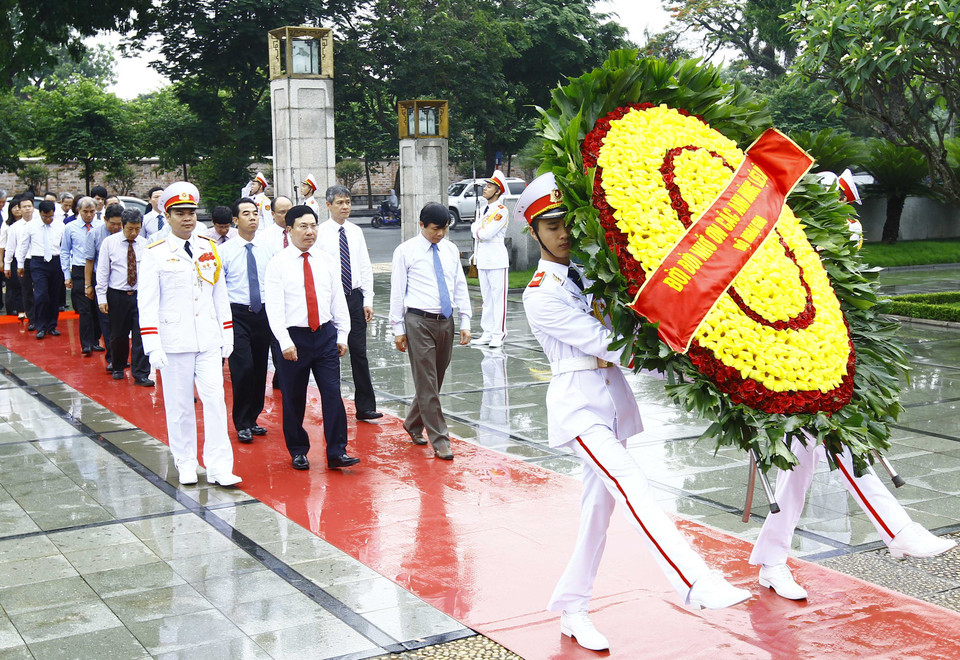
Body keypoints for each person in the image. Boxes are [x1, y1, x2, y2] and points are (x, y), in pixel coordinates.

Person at [517, 173, 750, 652]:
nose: (563, 233)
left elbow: (629, 327)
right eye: (551, 225)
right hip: (578, 406)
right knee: (631, 483)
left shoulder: (591, 273)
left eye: (568, 223)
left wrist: (700, 372)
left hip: (611, 402)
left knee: (597, 512)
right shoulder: (541, 291)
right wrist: (680, 356)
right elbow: (610, 342)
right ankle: (694, 579)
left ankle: (573, 608)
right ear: (533, 232)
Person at [749, 171, 956, 601]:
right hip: (788, 374)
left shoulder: (834, 237)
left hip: (820, 369)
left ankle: (771, 561)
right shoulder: (775, 247)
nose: (844, 219)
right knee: (837, 447)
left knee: (798, 475)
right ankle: (897, 529)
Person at [138, 182, 240, 487]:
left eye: (191, 213)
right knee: (180, 406)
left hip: (208, 338)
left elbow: (219, 293)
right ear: (167, 216)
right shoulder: (155, 253)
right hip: (174, 341)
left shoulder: (207, 247)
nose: (187, 218)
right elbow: (147, 303)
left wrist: (227, 332)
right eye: (180, 213)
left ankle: (219, 466)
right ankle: (185, 462)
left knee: (215, 401)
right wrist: (152, 345)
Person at [265, 204, 355, 471]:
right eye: (303, 226)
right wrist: (284, 341)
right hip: (295, 338)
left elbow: (337, 298)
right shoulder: (277, 264)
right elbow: (274, 307)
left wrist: (343, 334)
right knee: (294, 397)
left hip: (325, 335)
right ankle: (298, 450)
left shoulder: (326, 260)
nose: (310, 232)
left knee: (332, 393)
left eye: (313, 225)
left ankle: (337, 451)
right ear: (289, 229)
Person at [388, 202, 471, 460]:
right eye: (436, 229)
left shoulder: (450, 249)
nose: (440, 234)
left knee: (434, 381)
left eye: (445, 228)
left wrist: (465, 320)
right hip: (418, 321)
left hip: (445, 320)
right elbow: (397, 291)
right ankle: (441, 439)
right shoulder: (405, 252)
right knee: (426, 381)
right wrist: (397, 328)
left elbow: (459, 285)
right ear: (422, 224)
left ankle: (413, 422)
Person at [317, 185, 381, 421]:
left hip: (354, 296)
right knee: (330, 353)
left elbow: (364, 265)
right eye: (340, 203)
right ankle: (331, 407)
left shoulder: (355, 232)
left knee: (359, 352)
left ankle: (365, 406)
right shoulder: (320, 233)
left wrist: (368, 298)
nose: (345, 207)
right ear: (328, 205)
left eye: (348, 202)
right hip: (330, 299)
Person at [219, 197, 274, 443]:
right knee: (243, 368)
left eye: (255, 213)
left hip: (262, 314)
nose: (252, 217)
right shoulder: (224, 252)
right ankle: (241, 421)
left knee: (260, 367)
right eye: (246, 214)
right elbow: (219, 289)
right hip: (236, 314)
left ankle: (253, 418)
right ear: (235, 220)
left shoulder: (268, 250)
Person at [95, 208, 152, 386]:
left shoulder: (146, 244)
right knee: (118, 335)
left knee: (141, 334)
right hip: (117, 295)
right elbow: (103, 271)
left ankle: (141, 373)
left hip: (140, 294)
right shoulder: (109, 243)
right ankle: (118, 365)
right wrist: (102, 297)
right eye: (130, 229)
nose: (133, 233)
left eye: (137, 229)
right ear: (123, 226)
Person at [470, 170, 510, 349]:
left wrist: (475, 229)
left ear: (498, 191)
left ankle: (498, 334)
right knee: (486, 298)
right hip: (484, 259)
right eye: (486, 186)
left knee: (498, 298)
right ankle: (487, 332)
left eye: (489, 187)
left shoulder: (501, 211)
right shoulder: (484, 210)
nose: (485, 189)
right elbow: (479, 233)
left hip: (496, 259)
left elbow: (485, 234)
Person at [16, 199, 65, 339]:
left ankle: (52, 325)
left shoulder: (60, 226)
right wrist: (20, 264)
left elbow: (65, 246)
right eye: (45, 216)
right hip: (38, 262)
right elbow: (23, 246)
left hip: (55, 261)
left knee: (54, 295)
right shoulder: (31, 226)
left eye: (51, 216)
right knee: (41, 294)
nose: (48, 219)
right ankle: (40, 326)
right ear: (40, 214)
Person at [61, 197, 102, 355]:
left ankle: (95, 340)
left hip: (98, 270)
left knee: (97, 307)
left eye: (92, 211)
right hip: (79, 269)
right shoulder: (70, 227)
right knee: (84, 309)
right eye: (85, 211)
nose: (89, 215)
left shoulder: (99, 226)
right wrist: (66, 274)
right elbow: (65, 251)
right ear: (78, 210)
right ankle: (85, 344)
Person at [85, 204, 125, 366]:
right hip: (101, 280)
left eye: (119, 224)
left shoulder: (127, 233)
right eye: (112, 224)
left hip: (121, 282)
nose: (116, 227)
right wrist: (88, 285)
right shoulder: (94, 234)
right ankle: (113, 359)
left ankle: (121, 357)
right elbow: (89, 261)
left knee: (121, 323)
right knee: (106, 321)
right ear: (104, 219)